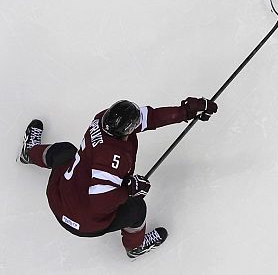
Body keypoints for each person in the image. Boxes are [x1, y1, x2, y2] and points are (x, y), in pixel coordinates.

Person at [18, 96, 218, 258]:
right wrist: (128, 191)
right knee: (137, 208)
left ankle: (29, 152)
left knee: (64, 152)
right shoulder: (114, 159)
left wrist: (186, 112)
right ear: (126, 131)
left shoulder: (102, 119)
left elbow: (149, 118)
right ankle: (135, 247)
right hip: (85, 221)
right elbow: (100, 203)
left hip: (60, 195)